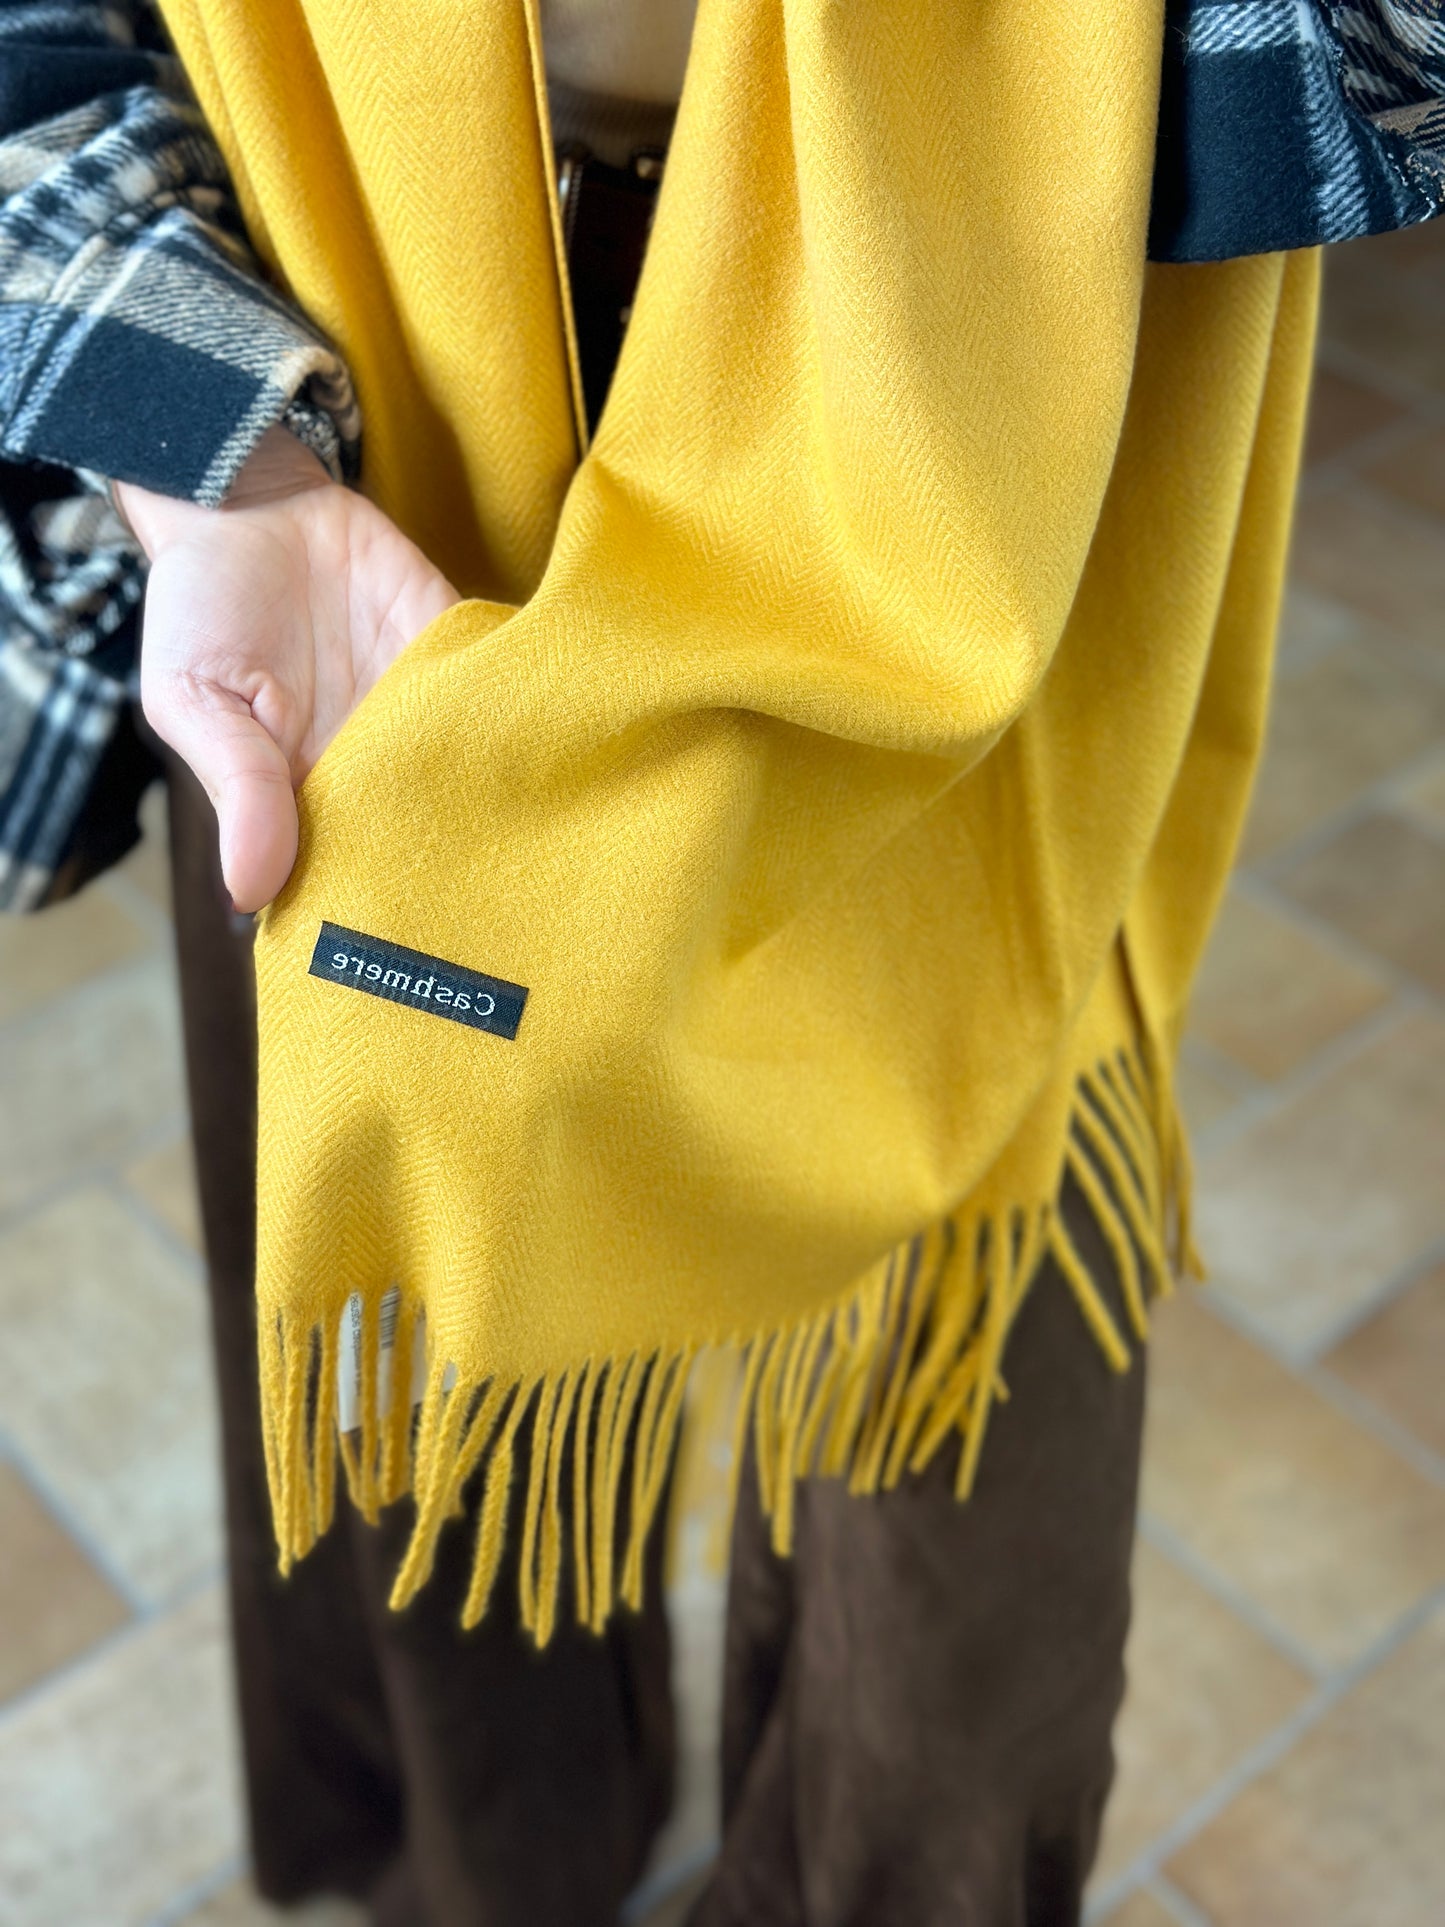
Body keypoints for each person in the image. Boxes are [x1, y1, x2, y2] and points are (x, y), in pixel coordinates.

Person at [1, 5, 1440, 1924]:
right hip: (345, 410)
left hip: (997, 411)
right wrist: (208, 458)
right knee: (416, 1403)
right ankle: (485, 1872)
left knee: (956, 1631)